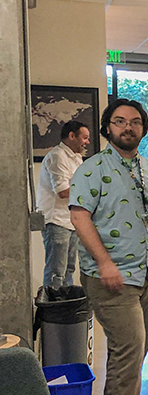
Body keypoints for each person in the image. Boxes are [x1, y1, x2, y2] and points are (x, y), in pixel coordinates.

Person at [70, 98, 148, 395]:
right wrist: (104, 263)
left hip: (147, 273)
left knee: (135, 348)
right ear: (107, 127)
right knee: (128, 346)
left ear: (143, 128)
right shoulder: (92, 169)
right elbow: (79, 215)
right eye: (119, 121)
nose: (127, 127)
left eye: (135, 122)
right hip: (111, 276)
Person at [37, 120, 90, 289]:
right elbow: (63, 192)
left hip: (71, 221)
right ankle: (53, 311)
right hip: (56, 222)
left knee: (68, 269)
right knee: (56, 272)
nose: (87, 142)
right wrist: (90, 191)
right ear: (72, 136)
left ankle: (65, 310)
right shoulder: (57, 156)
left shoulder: (76, 158)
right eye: (84, 138)